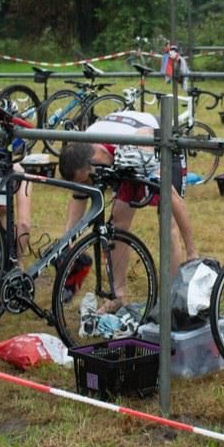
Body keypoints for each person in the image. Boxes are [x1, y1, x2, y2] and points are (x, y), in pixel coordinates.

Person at [59, 110, 199, 313]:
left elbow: (174, 198)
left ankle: (171, 301)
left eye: (90, 177)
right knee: (117, 226)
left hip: (160, 147)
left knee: (168, 225)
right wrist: (67, 240)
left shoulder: (138, 147)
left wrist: (192, 251)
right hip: (125, 158)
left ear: (99, 155)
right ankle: (119, 295)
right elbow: (79, 195)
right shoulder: (84, 146)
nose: (93, 183)